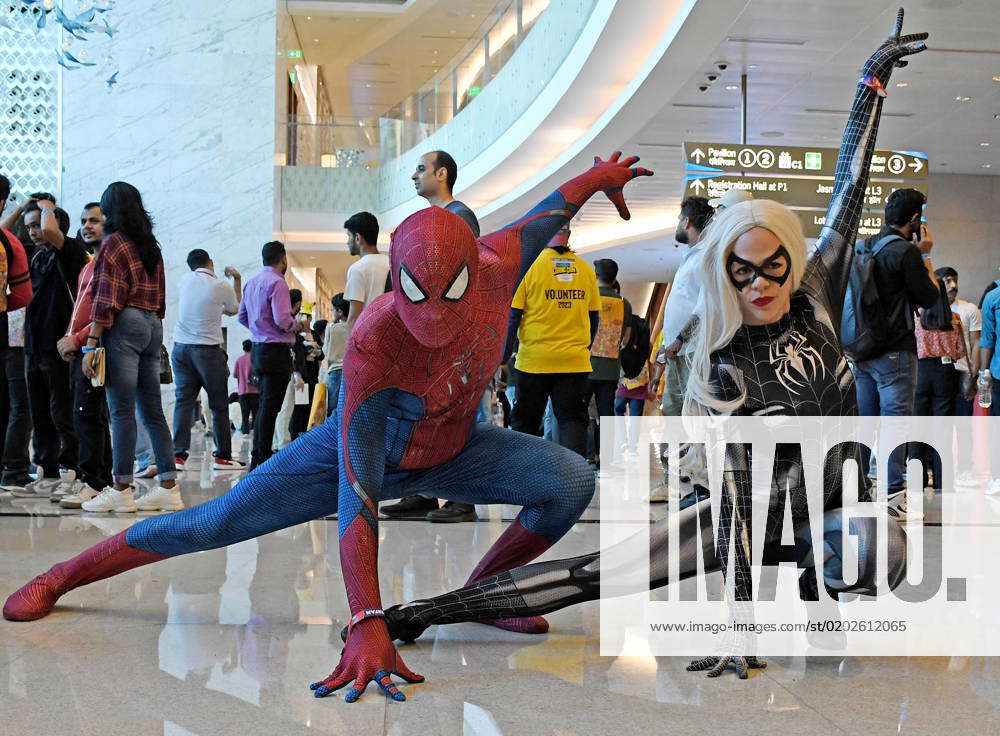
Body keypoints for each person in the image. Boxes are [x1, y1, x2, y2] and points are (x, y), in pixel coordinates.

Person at [336, 16, 926, 682]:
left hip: (831, 506)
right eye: (742, 271)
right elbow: (732, 498)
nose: (760, 284)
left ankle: (823, 598)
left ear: (791, 261)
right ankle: (425, 611)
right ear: (724, 273)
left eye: (772, 267)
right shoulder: (726, 356)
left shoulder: (817, 291)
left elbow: (848, 189)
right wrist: (737, 626)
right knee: (595, 574)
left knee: (877, 547)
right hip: (748, 513)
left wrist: (871, 82)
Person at [3, 150, 653, 705]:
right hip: (357, 450)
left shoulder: (501, 260)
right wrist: (367, 616)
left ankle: (487, 592)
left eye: (446, 292)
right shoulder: (376, 339)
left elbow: (550, 208)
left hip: (456, 448)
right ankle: (63, 575)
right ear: (394, 280)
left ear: (474, 272)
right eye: (413, 294)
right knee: (213, 523)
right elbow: (359, 491)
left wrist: (599, 179)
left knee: (571, 481)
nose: (429, 316)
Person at [77, 181, 180, 513]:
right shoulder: (151, 245)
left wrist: (90, 345)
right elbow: (161, 296)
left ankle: (121, 488)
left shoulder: (113, 244)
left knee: (120, 410)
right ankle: (168, 486)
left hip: (125, 323)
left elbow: (105, 299)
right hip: (153, 325)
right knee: (152, 410)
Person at [851, 187, 939, 517]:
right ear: (915, 218)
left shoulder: (865, 247)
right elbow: (929, 299)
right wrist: (926, 254)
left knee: (864, 423)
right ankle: (893, 499)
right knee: (895, 424)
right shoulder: (906, 252)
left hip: (862, 351)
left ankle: (854, 492)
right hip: (896, 354)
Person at [16, 197, 88, 500]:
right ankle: (45, 467)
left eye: (38, 225)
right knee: (39, 411)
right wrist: (21, 209)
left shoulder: (69, 252)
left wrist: (47, 207)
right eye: (29, 227)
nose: (33, 232)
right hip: (32, 346)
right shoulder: (35, 255)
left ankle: (70, 466)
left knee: (61, 410)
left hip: (58, 347)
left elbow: (52, 231)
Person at [507, 222, 599, 458]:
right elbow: (593, 318)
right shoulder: (586, 270)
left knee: (525, 423)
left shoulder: (528, 268)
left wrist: (504, 353)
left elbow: (513, 315)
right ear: (568, 234)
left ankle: (523, 476)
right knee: (572, 420)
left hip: (534, 360)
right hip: (573, 361)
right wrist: (581, 347)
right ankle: (575, 480)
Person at [54, 203, 113, 508]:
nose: (86, 226)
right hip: (80, 348)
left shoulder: (109, 263)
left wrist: (76, 340)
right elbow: (80, 310)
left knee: (89, 415)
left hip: (97, 348)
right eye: (83, 221)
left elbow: (107, 310)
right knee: (87, 415)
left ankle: (94, 481)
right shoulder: (90, 265)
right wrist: (69, 339)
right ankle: (98, 479)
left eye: (94, 221)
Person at [170, 248, 245, 472]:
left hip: (180, 349)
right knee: (218, 405)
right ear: (210, 262)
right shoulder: (221, 284)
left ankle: (178, 456)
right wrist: (237, 280)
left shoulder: (184, 280)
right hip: (207, 352)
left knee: (183, 402)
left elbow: (200, 304)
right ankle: (222, 457)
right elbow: (234, 310)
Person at [237, 241, 298, 469]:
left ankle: (259, 453)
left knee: (264, 405)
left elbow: (242, 316)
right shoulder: (278, 283)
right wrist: (296, 325)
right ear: (283, 258)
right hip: (275, 351)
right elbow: (283, 320)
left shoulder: (252, 283)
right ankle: (261, 457)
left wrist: (258, 328)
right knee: (270, 407)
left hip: (258, 350)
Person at [0, 176, 34, 494]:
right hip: (11, 331)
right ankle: (14, 467)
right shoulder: (12, 245)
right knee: (18, 402)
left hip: (11, 332)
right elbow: (22, 298)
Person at [586, 258, 631, 465]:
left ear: (596, 276)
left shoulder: (588, 299)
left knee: (581, 413)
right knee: (607, 415)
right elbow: (627, 338)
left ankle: (584, 457)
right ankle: (607, 459)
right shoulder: (624, 304)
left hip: (584, 366)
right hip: (611, 369)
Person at [411, 150, 480, 236]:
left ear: (441, 174)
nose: (413, 176)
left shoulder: (459, 215)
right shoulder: (433, 219)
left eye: (421, 169)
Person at [343, 212, 390, 331]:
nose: (347, 242)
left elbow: (354, 317)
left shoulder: (357, 269)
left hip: (368, 337)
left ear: (358, 238)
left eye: (349, 236)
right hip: (391, 335)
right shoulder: (391, 262)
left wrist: (349, 347)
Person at [979, 279, 1000, 493]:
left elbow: (987, 339)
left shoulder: (992, 297)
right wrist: (984, 374)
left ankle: (997, 477)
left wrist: (984, 373)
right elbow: (987, 339)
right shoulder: (993, 298)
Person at [322, 293, 348, 415]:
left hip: (335, 371)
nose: (331, 311)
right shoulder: (355, 326)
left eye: (333, 309)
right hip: (351, 372)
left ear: (340, 311)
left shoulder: (331, 328)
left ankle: (333, 433)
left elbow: (325, 350)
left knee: (333, 410)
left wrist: (333, 322)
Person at [232, 339, 258, 435]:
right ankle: (256, 433)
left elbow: (235, 374)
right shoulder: (255, 359)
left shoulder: (239, 360)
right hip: (256, 391)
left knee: (245, 414)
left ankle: (245, 433)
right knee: (256, 414)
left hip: (243, 391)